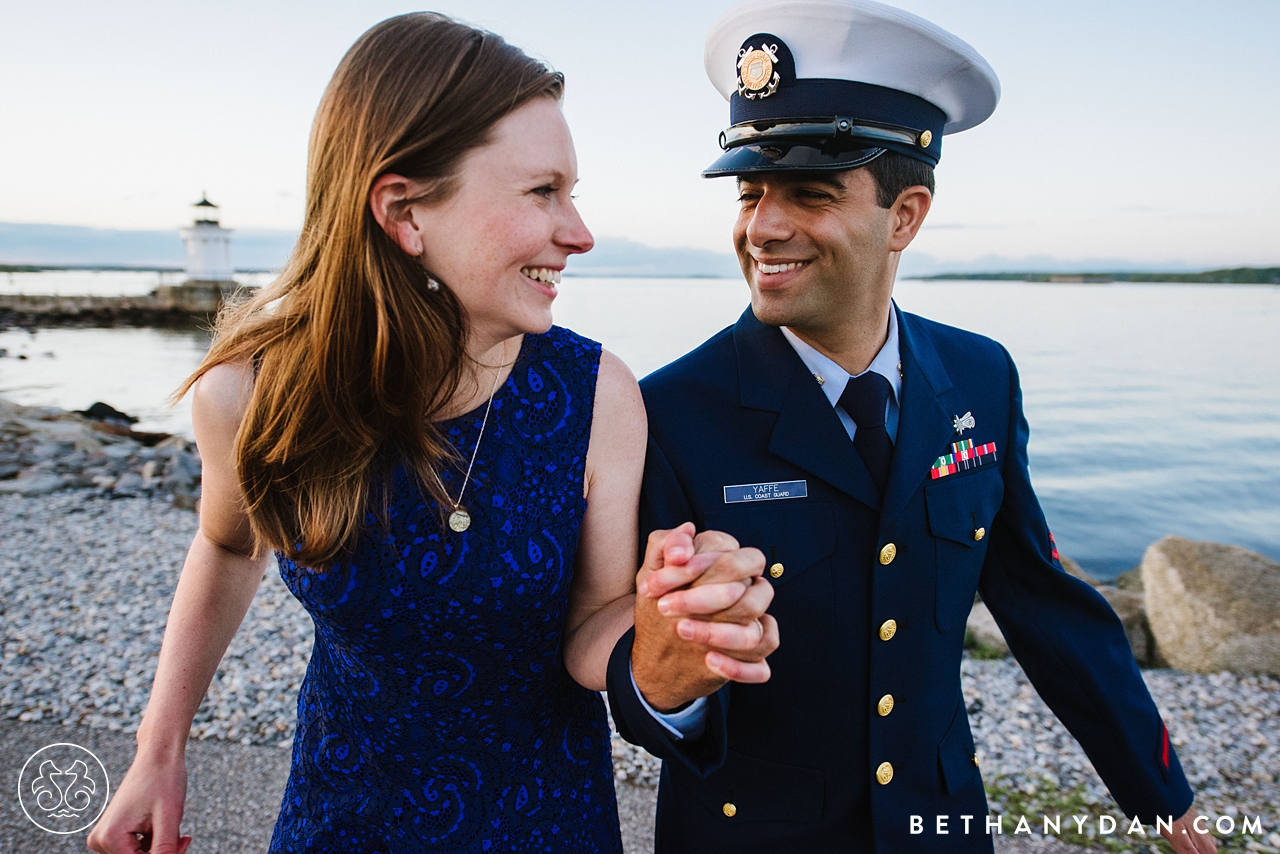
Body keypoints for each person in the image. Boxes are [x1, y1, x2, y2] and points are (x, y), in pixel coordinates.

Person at [87, 13, 772, 854]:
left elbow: (592, 621)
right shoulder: (251, 392)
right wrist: (159, 752)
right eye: (541, 191)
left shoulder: (598, 395)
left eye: (574, 193)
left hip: (547, 827)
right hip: (339, 821)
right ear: (406, 213)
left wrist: (667, 640)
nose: (581, 233)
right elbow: (229, 548)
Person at [606, 1, 1219, 852]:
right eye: (750, 193)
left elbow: (1044, 605)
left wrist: (1163, 796)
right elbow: (641, 687)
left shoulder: (979, 377)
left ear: (907, 216)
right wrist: (668, 681)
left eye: (810, 194)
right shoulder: (671, 411)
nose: (763, 227)